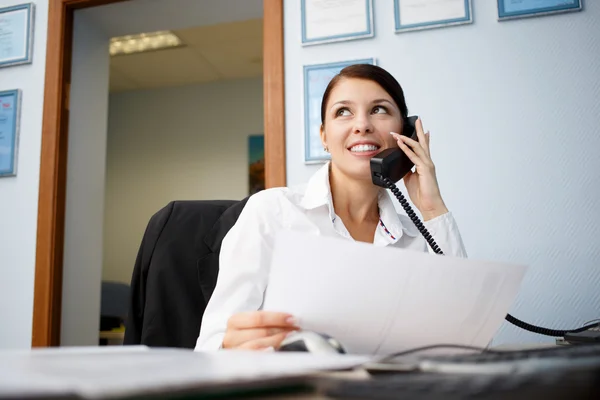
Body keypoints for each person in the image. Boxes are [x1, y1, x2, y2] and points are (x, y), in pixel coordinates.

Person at [194, 64, 467, 352]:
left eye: (379, 109)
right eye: (343, 112)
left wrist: (432, 208)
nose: (362, 125)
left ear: (405, 133)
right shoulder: (271, 212)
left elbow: (464, 336)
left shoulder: (417, 236)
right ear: (324, 136)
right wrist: (232, 349)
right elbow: (212, 344)